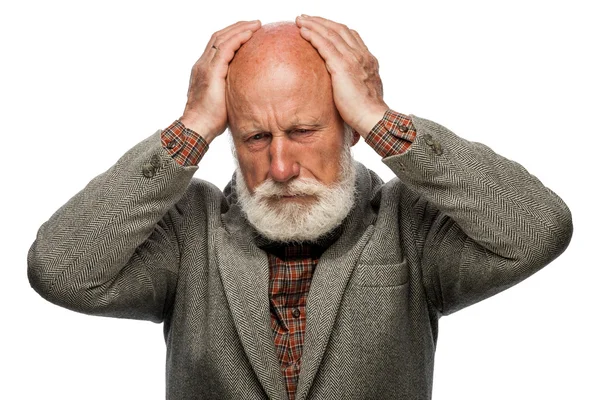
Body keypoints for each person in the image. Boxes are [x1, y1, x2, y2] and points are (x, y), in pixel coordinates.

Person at [28, 15, 572, 400]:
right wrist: (189, 129)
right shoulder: (188, 232)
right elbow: (59, 271)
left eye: (305, 130)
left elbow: (538, 229)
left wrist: (384, 120)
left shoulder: (411, 226)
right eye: (256, 137)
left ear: (350, 130)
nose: (282, 167)